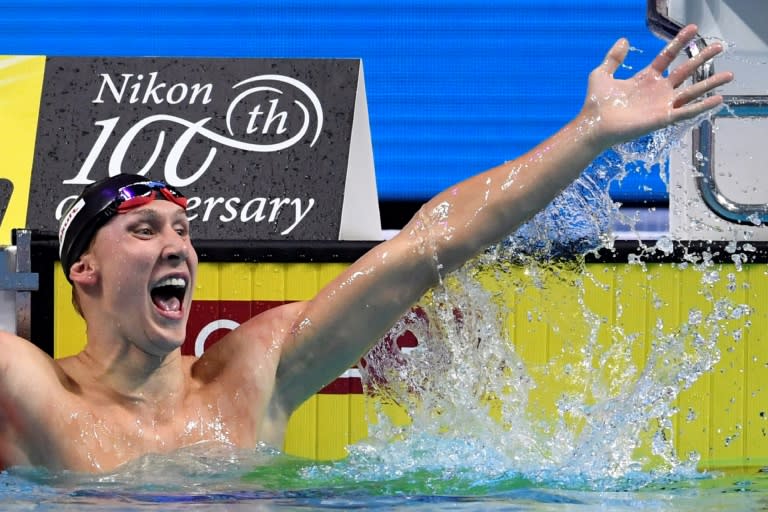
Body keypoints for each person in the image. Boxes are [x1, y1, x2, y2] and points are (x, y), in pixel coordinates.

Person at [0, 25, 732, 472]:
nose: (177, 248)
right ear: (82, 271)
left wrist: (589, 132)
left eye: (184, 231)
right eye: (145, 230)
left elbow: (427, 247)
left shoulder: (249, 378)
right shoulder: (32, 394)